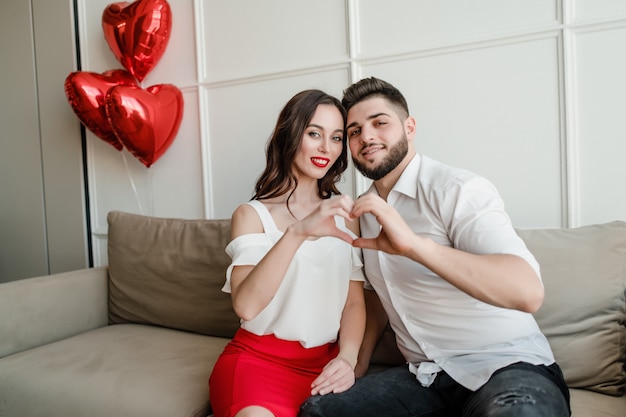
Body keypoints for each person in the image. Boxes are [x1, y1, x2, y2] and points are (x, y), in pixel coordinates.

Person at [299, 77, 571, 417]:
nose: (366, 136)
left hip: (506, 367)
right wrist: (354, 363)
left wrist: (414, 246)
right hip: (424, 378)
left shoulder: (458, 190)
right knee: (320, 411)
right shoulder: (362, 213)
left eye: (379, 123)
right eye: (354, 131)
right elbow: (379, 299)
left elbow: (527, 291)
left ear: (409, 127)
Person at [209, 89, 366, 417]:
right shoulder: (252, 216)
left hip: (324, 370)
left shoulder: (344, 214)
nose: (326, 147)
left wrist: (347, 358)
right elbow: (247, 306)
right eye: (314, 133)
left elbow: (353, 303)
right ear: (290, 135)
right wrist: (297, 232)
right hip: (257, 365)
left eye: (336, 138)